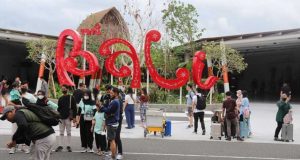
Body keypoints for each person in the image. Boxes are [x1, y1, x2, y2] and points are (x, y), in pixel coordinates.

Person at [100, 87, 120, 160]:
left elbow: (108, 111)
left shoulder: (114, 101)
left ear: (115, 93)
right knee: (112, 140)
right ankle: (112, 155)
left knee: (112, 140)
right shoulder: (115, 101)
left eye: (111, 93)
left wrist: (101, 107)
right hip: (113, 122)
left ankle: (113, 156)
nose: (110, 94)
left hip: (111, 123)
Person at [55, 86, 77, 152]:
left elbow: (74, 108)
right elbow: (58, 108)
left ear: (67, 89)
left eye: (64, 88)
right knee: (61, 132)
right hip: (61, 117)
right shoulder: (60, 98)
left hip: (68, 117)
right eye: (62, 88)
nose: (63, 89)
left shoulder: (71, 97)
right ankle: (60, 145)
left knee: (69, 132)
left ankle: (68, 145)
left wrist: (74, 117)